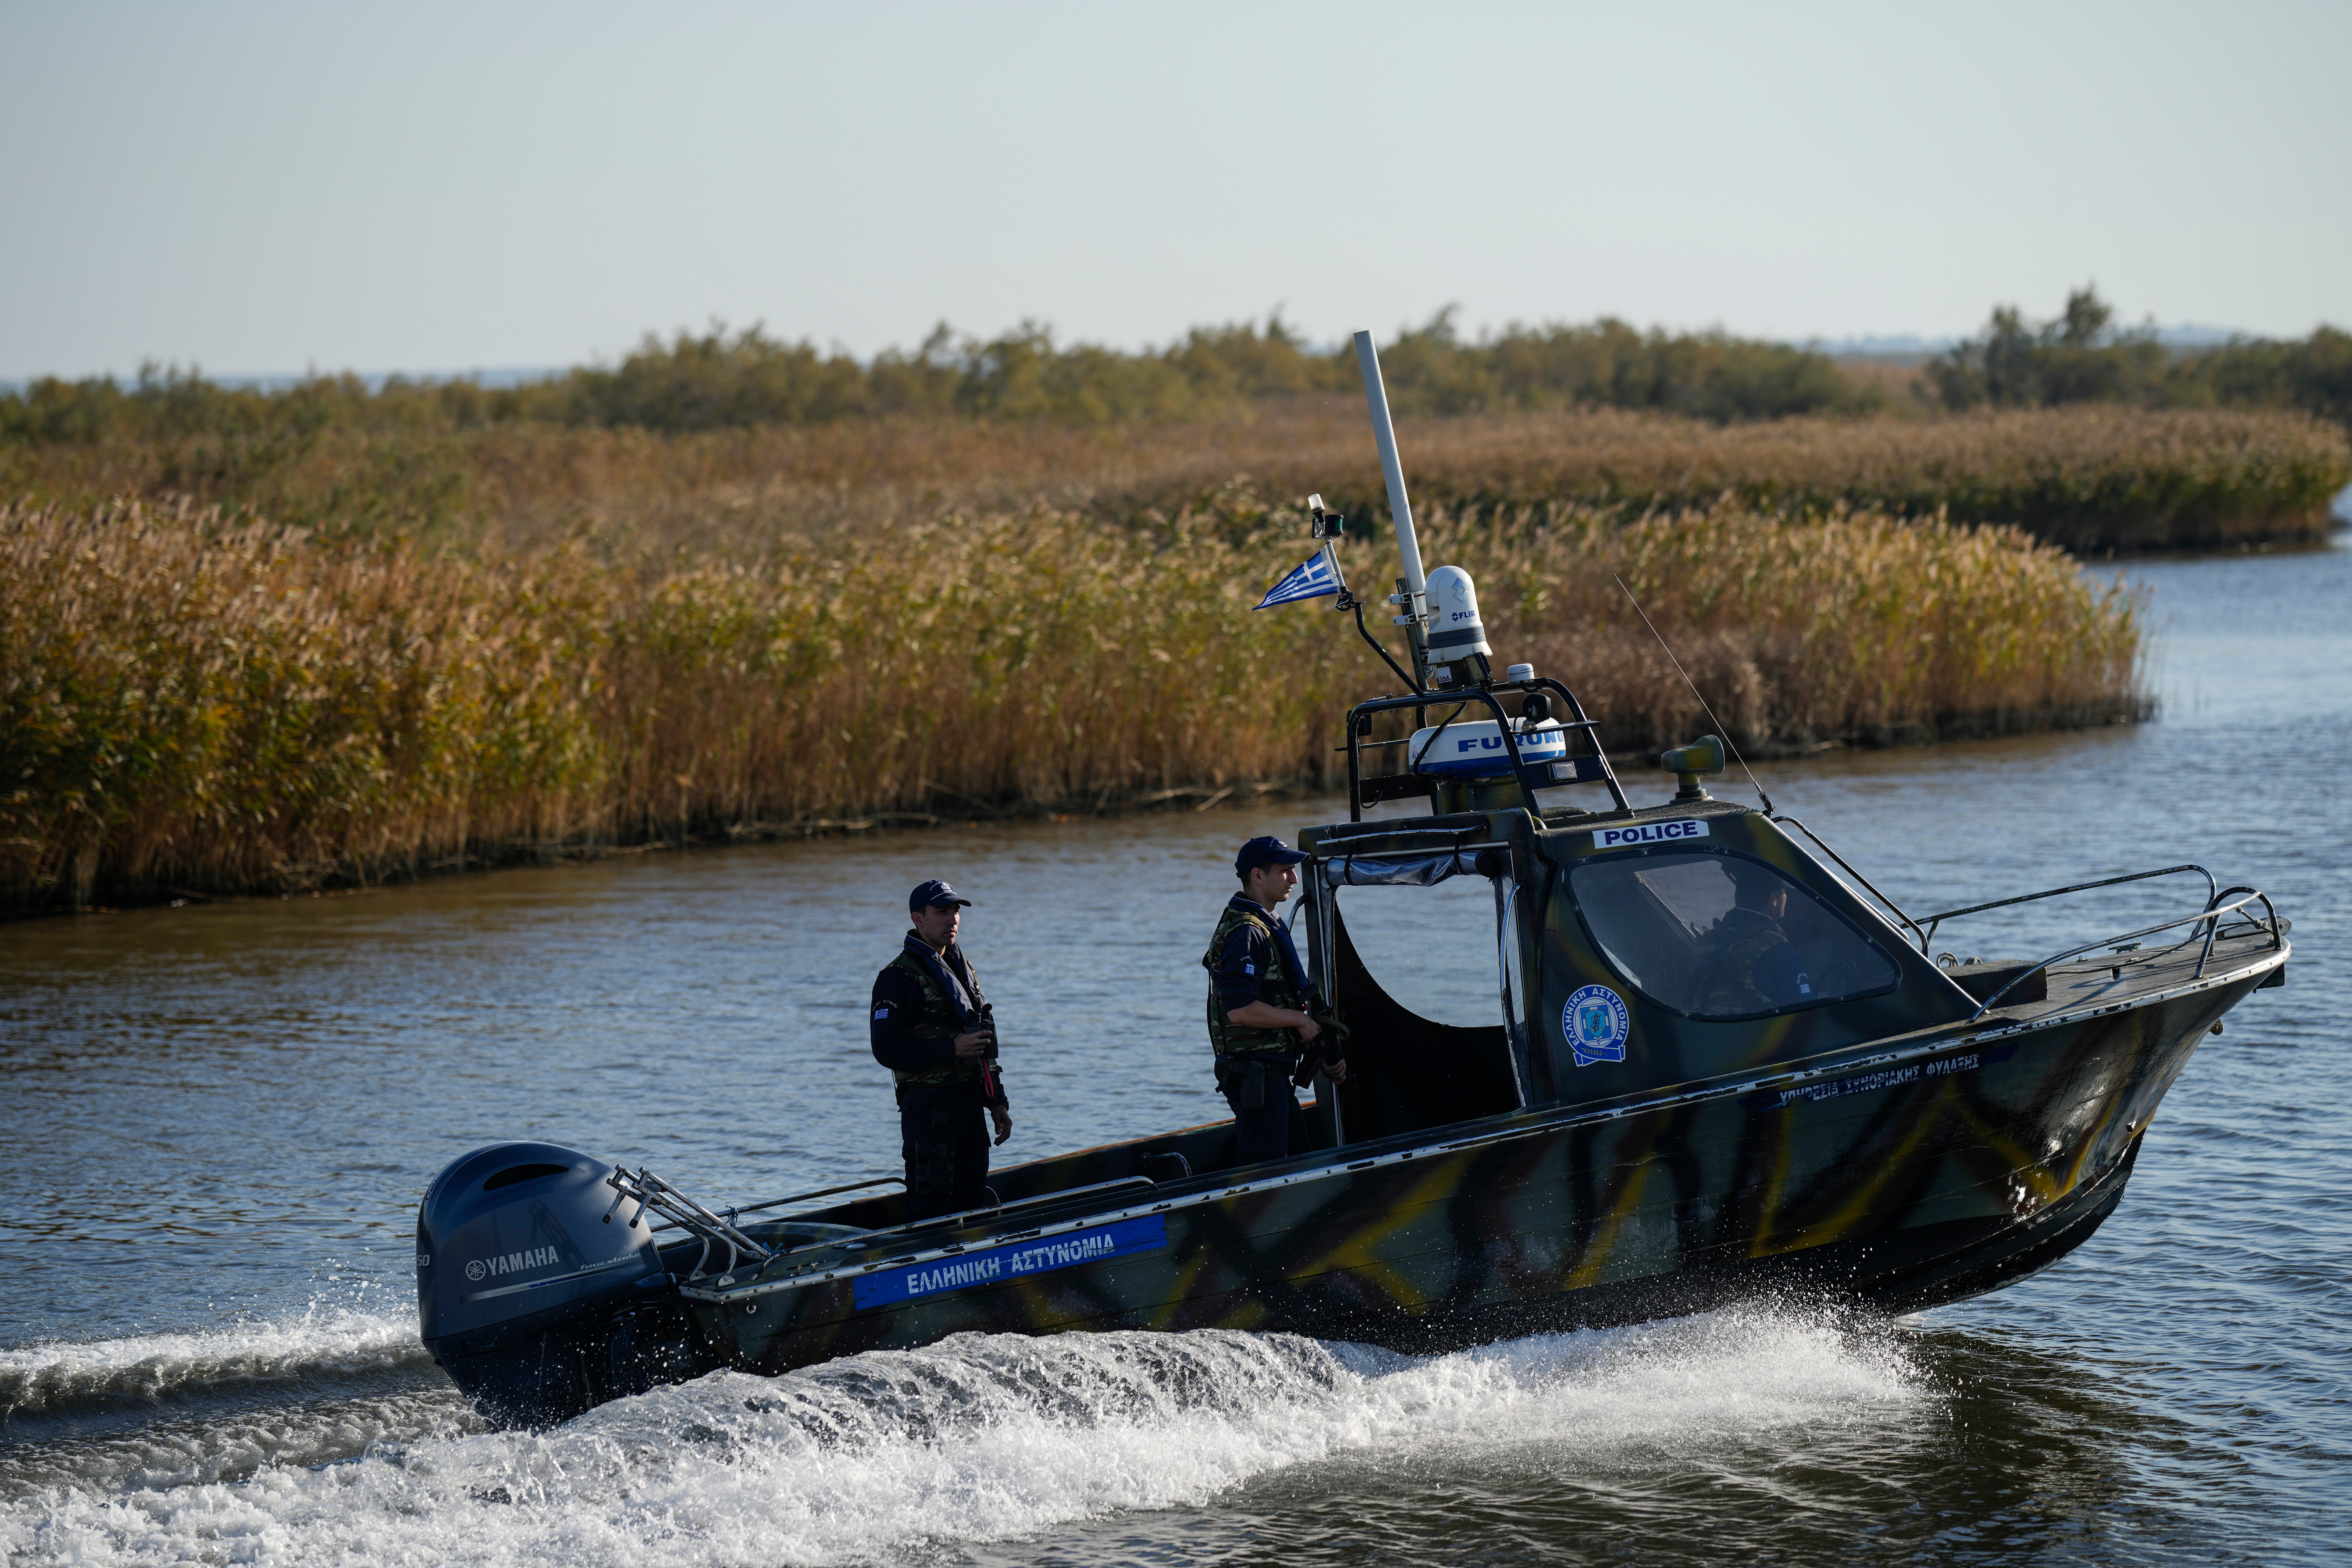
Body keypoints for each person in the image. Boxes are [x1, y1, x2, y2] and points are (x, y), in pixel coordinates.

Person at [869, 878, 1011, 1222]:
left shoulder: (962, 969)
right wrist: (951, 1049)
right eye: (942, 911)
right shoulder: (897, 977)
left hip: (969, 1109)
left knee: (972, 1205)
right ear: (918, 919)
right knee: (930, 1211)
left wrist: (998, 1103)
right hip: (929, 1111)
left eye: (956, 911)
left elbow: (982, 1042)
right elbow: (886, 1048)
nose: (953, 919)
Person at [1202, 835, 1347, 1165]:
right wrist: (1300, 1021)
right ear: (1258, 876)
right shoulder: (1247, 932)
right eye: (1286, 871)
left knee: (1300, 1164)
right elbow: (1240, 1010)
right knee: (1265, 1174)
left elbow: (1280, 997)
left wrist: (1321, 1048)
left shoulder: (1265, 924)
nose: (1295, 879)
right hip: (1257, 1077)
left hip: (1272, 1075)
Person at [1699, 862, 1815, 1015]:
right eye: (1784, 893)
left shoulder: (1706, 940)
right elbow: (1806, 1009)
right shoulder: (1779, 949)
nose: (1786, 899)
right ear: (1774, 899)